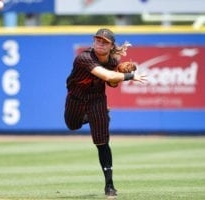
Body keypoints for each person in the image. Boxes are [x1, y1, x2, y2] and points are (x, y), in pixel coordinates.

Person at [64, 28, 147, 198]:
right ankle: (90, 118)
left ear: (111, 46)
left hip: (97, 100)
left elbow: (112, 84)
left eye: (105, 42)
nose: (100, 44)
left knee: (102, 142)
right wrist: (129, 76)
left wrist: (120, 74)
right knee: (72, 125)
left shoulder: (112, 61)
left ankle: (109, 185)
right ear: (93, 42)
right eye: (98, 40)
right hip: (76, 98)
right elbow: (107, 77)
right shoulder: (84, 57)